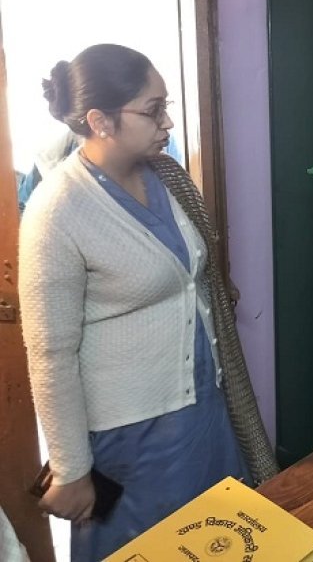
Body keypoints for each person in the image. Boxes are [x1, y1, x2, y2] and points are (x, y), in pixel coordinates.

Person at [18, 44, 276, 561]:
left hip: (204, 408)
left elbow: (195, 282)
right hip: (132, 434)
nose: (168, 123)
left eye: (166, 106)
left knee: (223, 539)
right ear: (100, 121)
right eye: (153, 110)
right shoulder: (58, 210)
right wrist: (71, 469)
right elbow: (51, 356)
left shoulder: (167, 178)